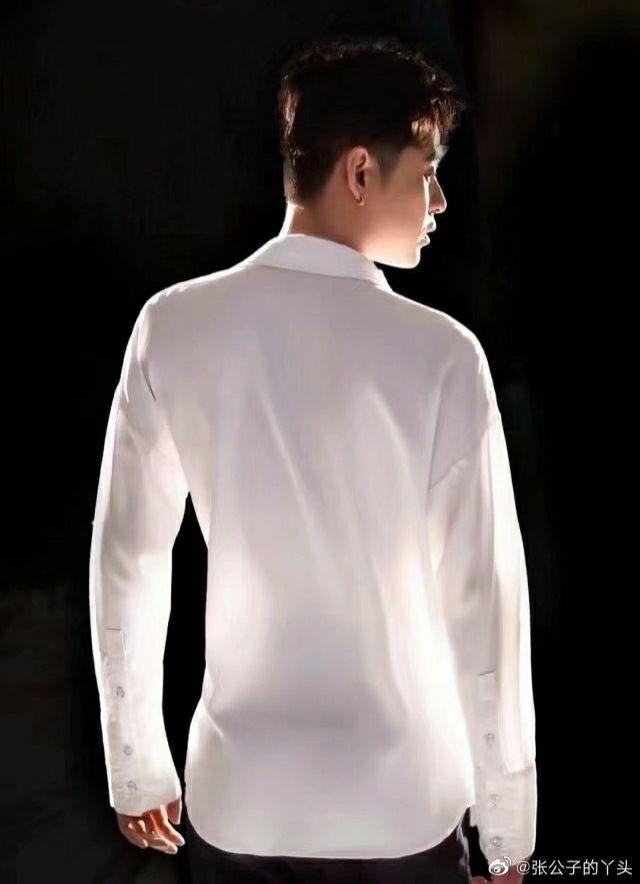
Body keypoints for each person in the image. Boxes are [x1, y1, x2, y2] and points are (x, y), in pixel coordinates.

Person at [89, 35, 537, 883]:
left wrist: (136, 760)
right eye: (426, 172)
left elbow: (130, 559)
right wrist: (508, 821)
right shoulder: (442, 355)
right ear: (360, 172)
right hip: (401, 805)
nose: (440, 200)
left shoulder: (173, 326)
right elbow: (485, 600)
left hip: (241, 800)